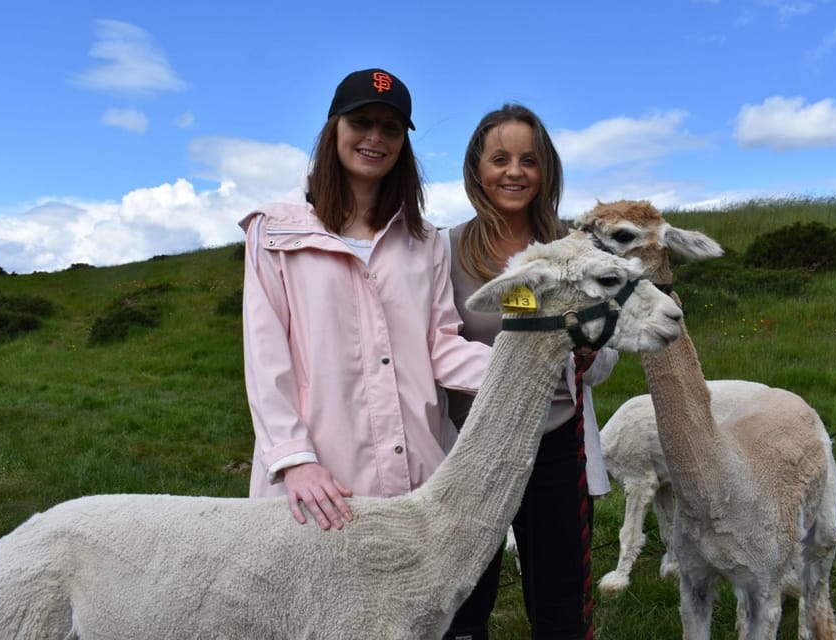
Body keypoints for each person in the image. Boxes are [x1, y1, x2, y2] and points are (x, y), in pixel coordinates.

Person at [238, 68, 491, 530]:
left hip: (420, 470)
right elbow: (265, 357)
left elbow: (439, 344)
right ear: (334, 126)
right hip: (319, 482)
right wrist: (295, 460)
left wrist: (523, 365)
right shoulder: (274, 232)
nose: (375, 137)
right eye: (361, 122)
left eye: (390, 127)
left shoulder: (423, 239)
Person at [444, 104, 617, 639]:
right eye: (500, 159)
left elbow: (606, 350)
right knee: (463, 596)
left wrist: (590, 353)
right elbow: (434, 341)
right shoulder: (443, 249)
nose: (514, 172)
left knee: (561, 599)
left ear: (547, 171)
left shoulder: (577, 249)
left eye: (529, 160)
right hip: (471, 447)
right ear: (477, 169)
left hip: (556, 444)